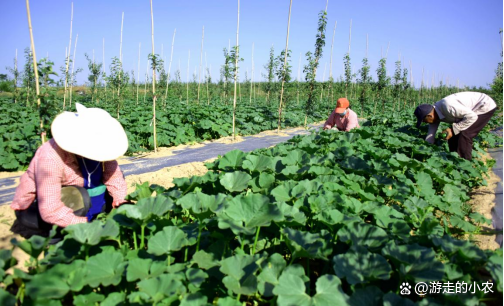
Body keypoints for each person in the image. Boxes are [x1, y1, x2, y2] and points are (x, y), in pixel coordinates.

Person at [11, 103, 129, 238]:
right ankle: (57, 238)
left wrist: (120, 201)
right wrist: (86, 226)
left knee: (113, 186)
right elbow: (50, 208)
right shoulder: (50, 157)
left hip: (79, 196)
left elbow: (114, 176)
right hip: (38, 209)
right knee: (79, 196)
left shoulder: (102, 147)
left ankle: (93, 216)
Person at [414, 91, 497, 160]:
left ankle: (465, 165)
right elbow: (431, 135)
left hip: (483, 106)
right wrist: (425, 150)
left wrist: (453, 129)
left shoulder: (448, 107)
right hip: (468, 112)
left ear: (429, 116)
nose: (425, 123)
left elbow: (472, 116)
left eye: (424, 120)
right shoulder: (434, 115)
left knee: (464, 134)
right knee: (453, 135)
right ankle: (454, 159)